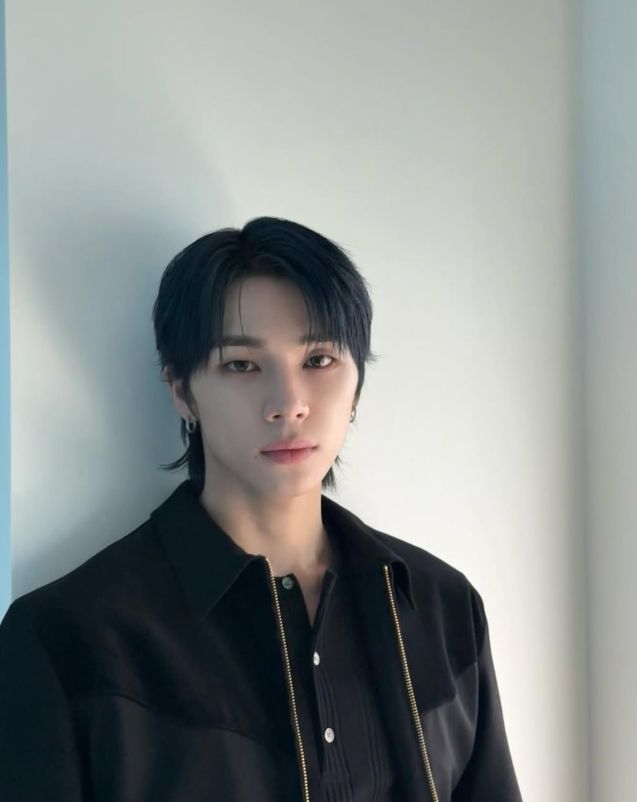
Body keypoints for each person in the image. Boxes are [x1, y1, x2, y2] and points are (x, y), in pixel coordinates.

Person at [0, 216, 523, 801]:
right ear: (181, 389)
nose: (288, 403)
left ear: (357, 384)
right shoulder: (70, 637)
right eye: (241, 365)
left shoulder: (443, 608)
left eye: (318, 360)